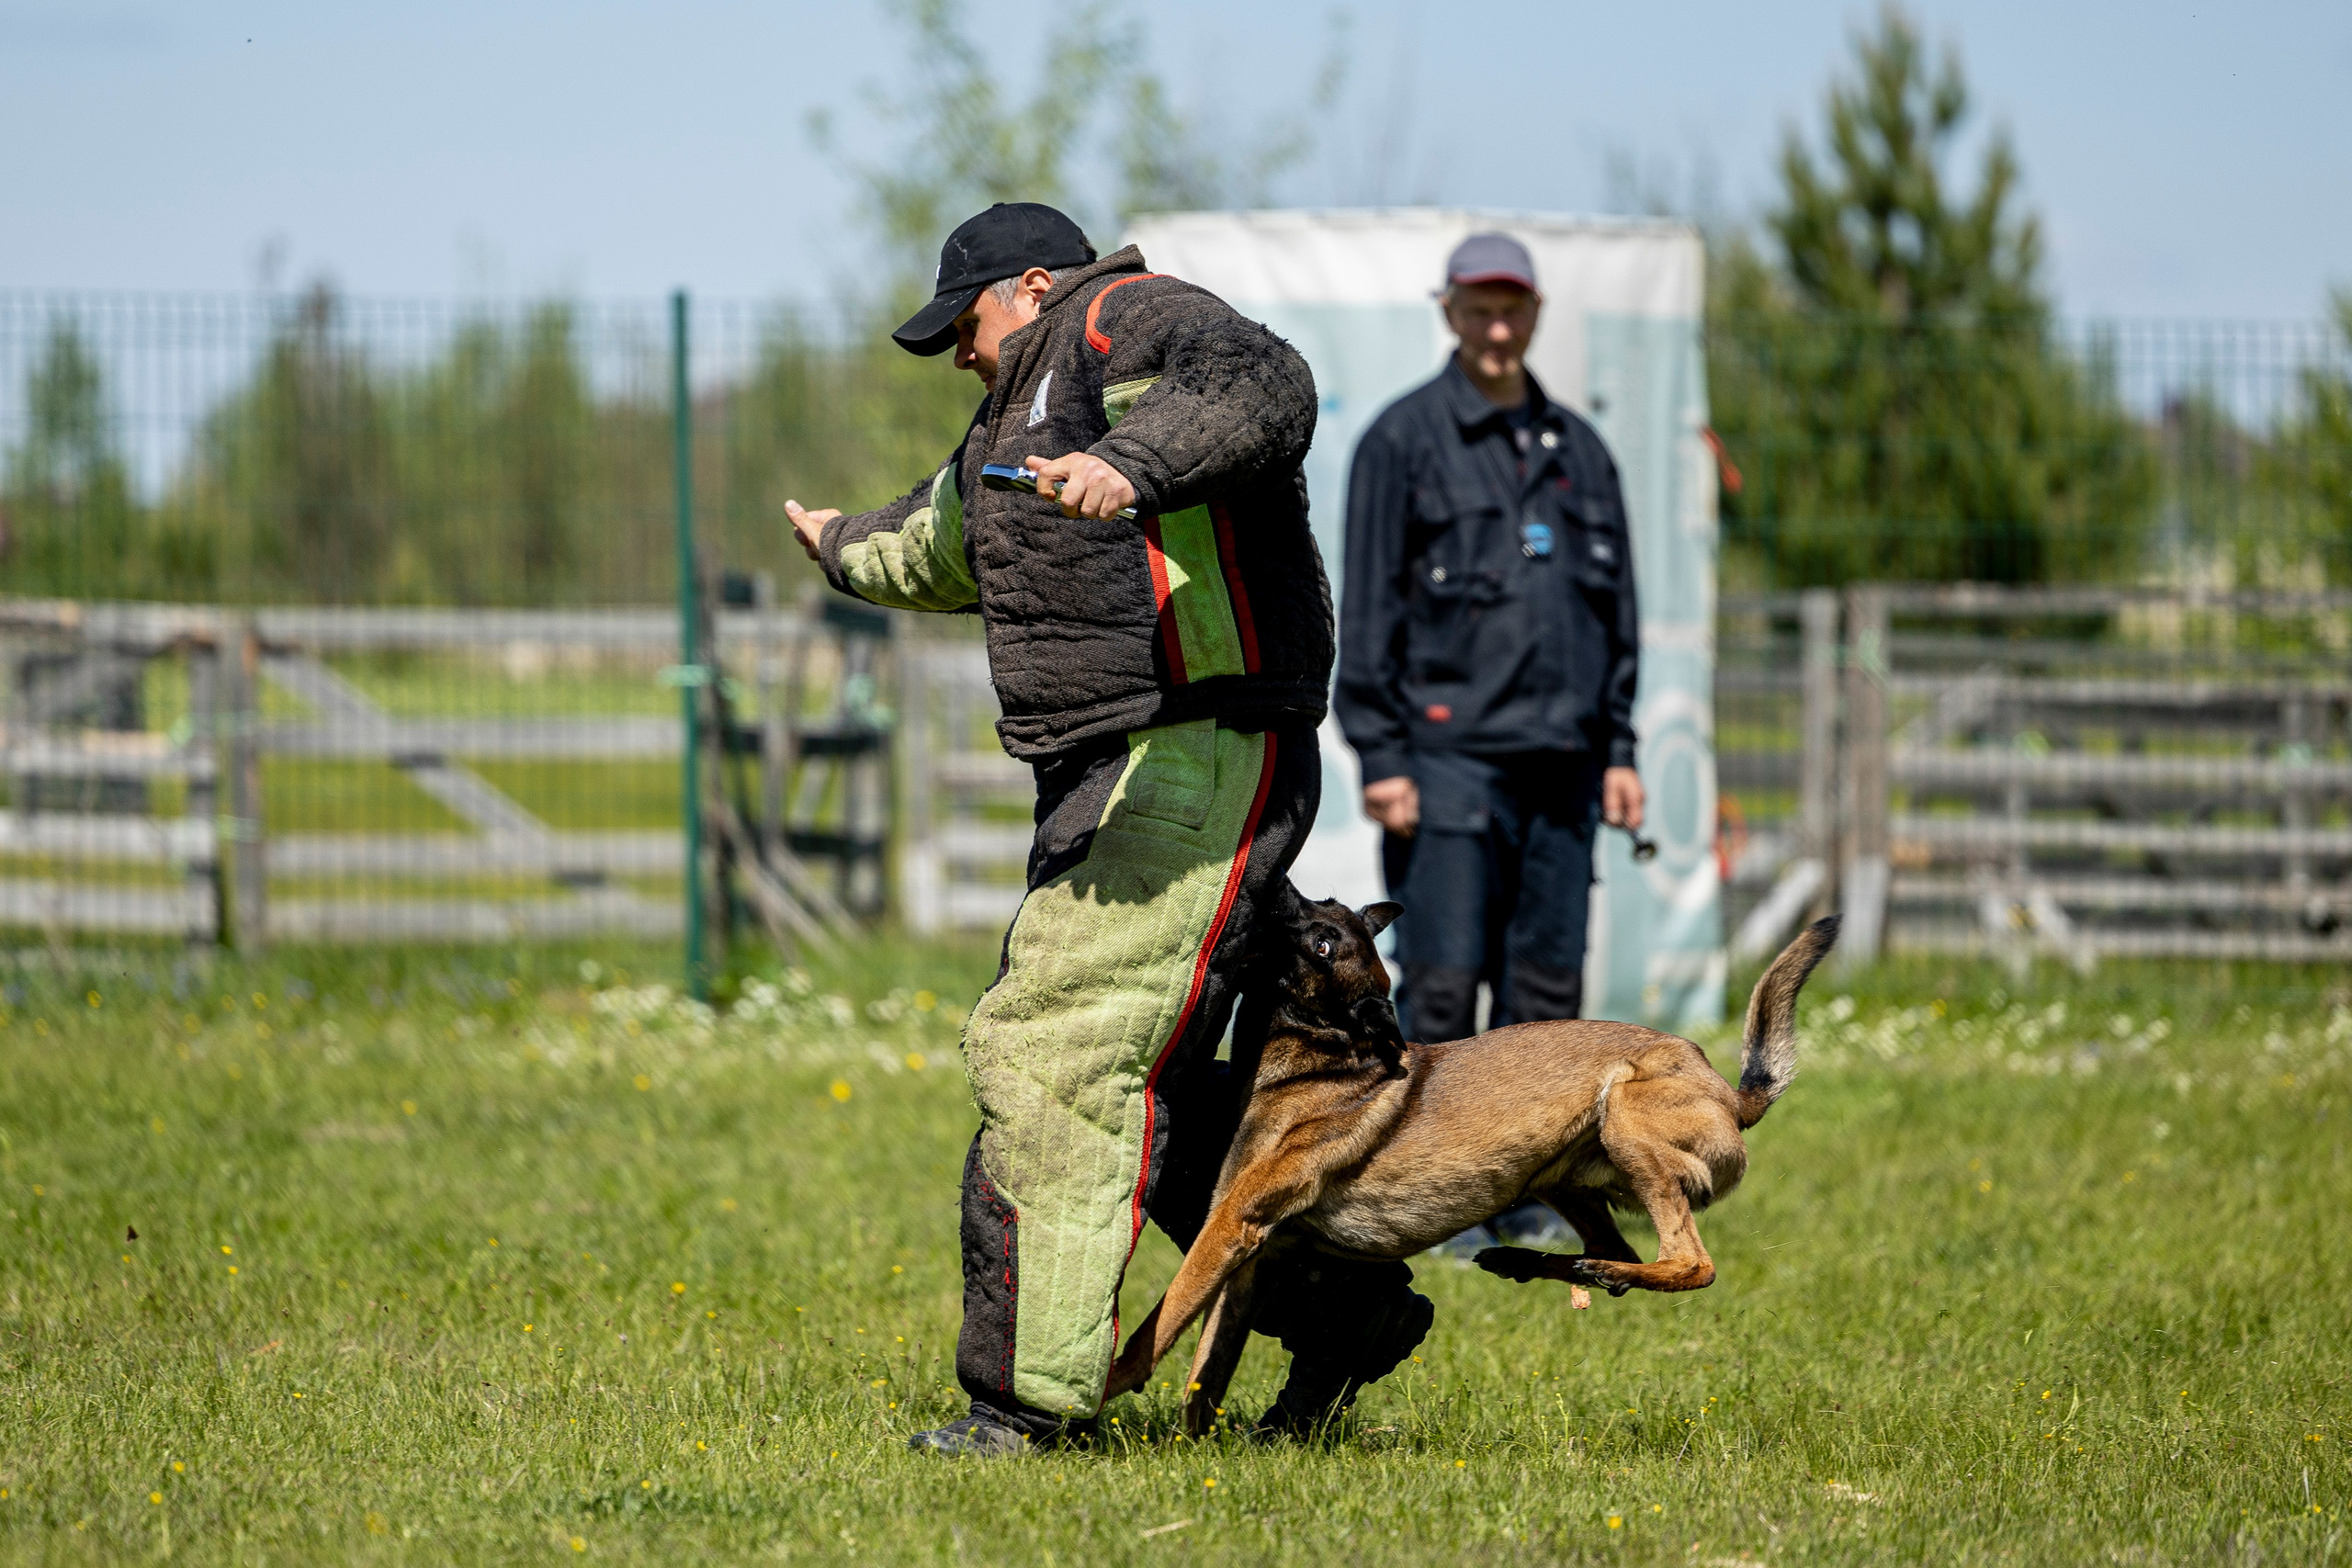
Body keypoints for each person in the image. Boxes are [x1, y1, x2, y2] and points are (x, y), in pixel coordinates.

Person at [788, 202, 1433, 1456]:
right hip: (1121, 770)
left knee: (1056, 1052)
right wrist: (834, 545)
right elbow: (940, 544)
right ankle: (1341, 1308)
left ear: (1029, 285)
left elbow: (1257, 382)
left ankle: (1028, 1408)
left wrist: (1133, 467)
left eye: (962, 328)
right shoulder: (1016, 416)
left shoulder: (1115, 321)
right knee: (1163, 1083)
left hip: (1189, 750)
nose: (957, 356)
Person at [1333, 231, 1645, 1247]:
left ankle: (1535, 1202)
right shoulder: (1401, 441)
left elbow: (1617, 617)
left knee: (1547, 996)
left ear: (1537, 313)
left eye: (1513, 309)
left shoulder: (1579, 452)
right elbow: (1369, 611)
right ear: (1449, 311)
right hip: (1445, 761)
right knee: (1440, 980)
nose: (1497, 327)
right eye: (1479, 308)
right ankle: (1438, 1198)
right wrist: (1381, 756)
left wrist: (1620, 752)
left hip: (1562, 765)